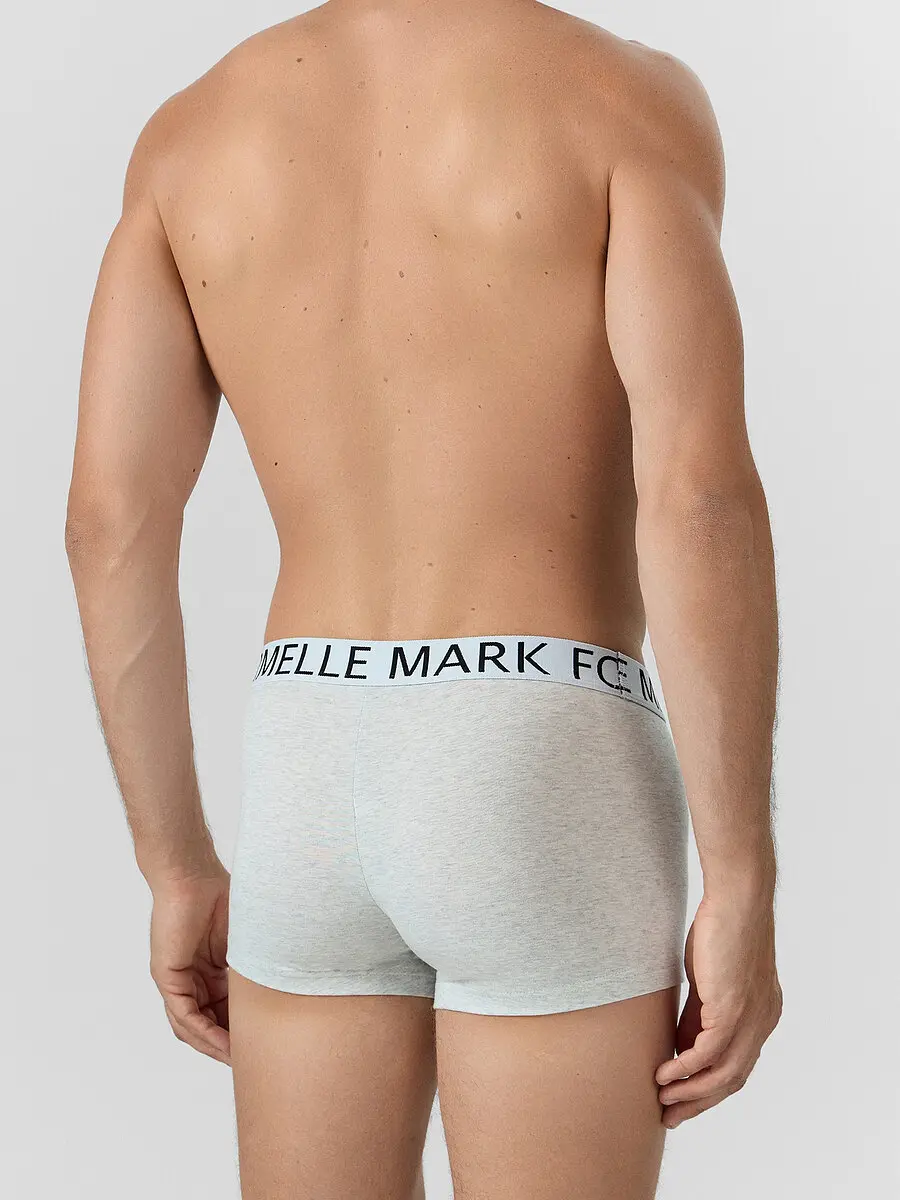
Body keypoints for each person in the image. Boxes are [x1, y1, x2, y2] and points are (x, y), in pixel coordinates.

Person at [64, 0, 783, 1196]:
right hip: (538, 736)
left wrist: (174, 864)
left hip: (305, 744)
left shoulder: (192, 134)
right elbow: (698, 497)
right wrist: (743, 871)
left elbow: (108, 522)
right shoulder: (623, 99)